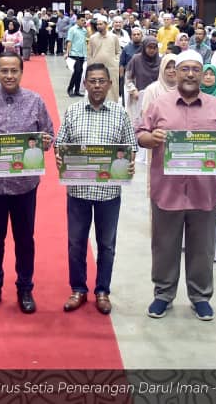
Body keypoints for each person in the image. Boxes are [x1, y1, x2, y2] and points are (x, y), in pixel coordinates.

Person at [137, 51, 216, 321]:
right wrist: (151, 138)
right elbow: (140, 134)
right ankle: (163, 294)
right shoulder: (159, 105)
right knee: (164, 246)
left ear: (202, 74)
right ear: (176, 73)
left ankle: (200, 297)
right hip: (167, 191)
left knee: (202, 248)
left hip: (204, 192)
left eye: (195, 69)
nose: (190, 74)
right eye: (185, 69)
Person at [0, 52, 54, 314]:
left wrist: (46, 141)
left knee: (25, 239)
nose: (9, 75)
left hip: (24, 185)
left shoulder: (35, 101)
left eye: (14, 70)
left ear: (21, 72)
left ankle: (25, 288)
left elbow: (49, 134)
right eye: (4, 71)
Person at [55, 63, 135, 315]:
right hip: (78, 191)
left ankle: (102, 291)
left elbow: (130, 147)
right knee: (75, 243)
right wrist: (60, 157)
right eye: (92, 81)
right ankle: (78, 289)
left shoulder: (120, 114)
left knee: (107, 244)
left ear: (110, 84)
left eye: (102, 81)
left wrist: (129, 164)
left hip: (108, 193)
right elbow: (60, 145)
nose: (97, 85)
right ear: (85, 84)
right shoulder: (73, 111)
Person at [87, 19, 121, 103]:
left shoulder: (114, 37)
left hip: (112, 68)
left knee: (113, 88)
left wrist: (116, 61)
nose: (98, 26)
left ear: (106, 25)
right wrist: (90, 65)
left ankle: (113, 106)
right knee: (97, 87)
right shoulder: (93, 38)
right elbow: (89, 54)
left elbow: (118, 52)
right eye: (97, 24)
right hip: (97, 68)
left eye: (100, 24)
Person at [64, 14, 88, 97]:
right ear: (77, 20)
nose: (83, 22)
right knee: (77, 71)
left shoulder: (84, 30)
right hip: (74, 53)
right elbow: (69, 41)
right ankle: (70, 89)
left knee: (80, 72)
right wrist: (67, 52)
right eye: (82, 20)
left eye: (84, 20)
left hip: (82, 54)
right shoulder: (72, 29)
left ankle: (77, 90)